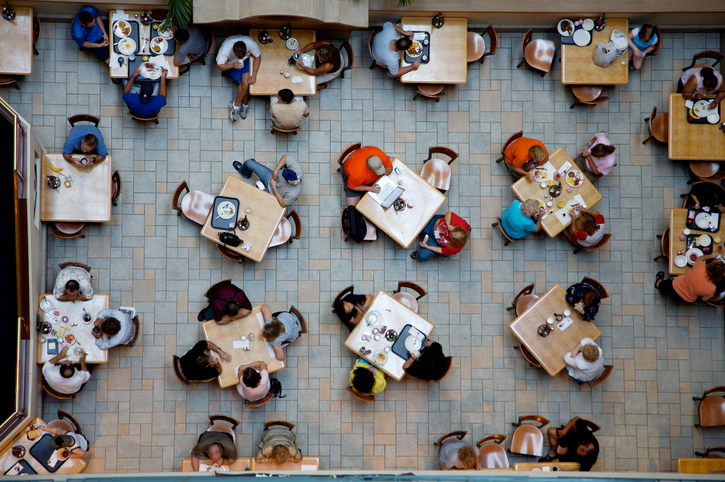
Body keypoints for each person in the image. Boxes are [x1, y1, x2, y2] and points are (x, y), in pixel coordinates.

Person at [216, 34, 261, 121]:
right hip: (231, 63)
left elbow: (258, 56)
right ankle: (241, 104)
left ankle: (238, 105)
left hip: (245, 61)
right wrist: (233, 65)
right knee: (243, 85)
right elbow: (219, 67)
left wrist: (254, 74)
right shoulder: (226, 50)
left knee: (246, 84)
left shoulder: (251, 44)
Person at [233, 154, 303, 208]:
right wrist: (275, 171)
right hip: (271, 176)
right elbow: (285, 156)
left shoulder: (293, 194)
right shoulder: (297, 169)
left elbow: (283, 204)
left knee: (251, 199)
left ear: (287, 181)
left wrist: (274, 187)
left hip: (273, 193)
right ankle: (245, 173)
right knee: (249, 162)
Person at [655, 254, 725, 303]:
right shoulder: (712, 289)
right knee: (674, 297)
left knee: (662, 285)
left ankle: (658, 283)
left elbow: (700, 258)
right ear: (719, 277)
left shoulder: (701, 267)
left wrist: (712, 256)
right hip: (686, 298)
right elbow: (704, 299)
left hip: (676, 284)